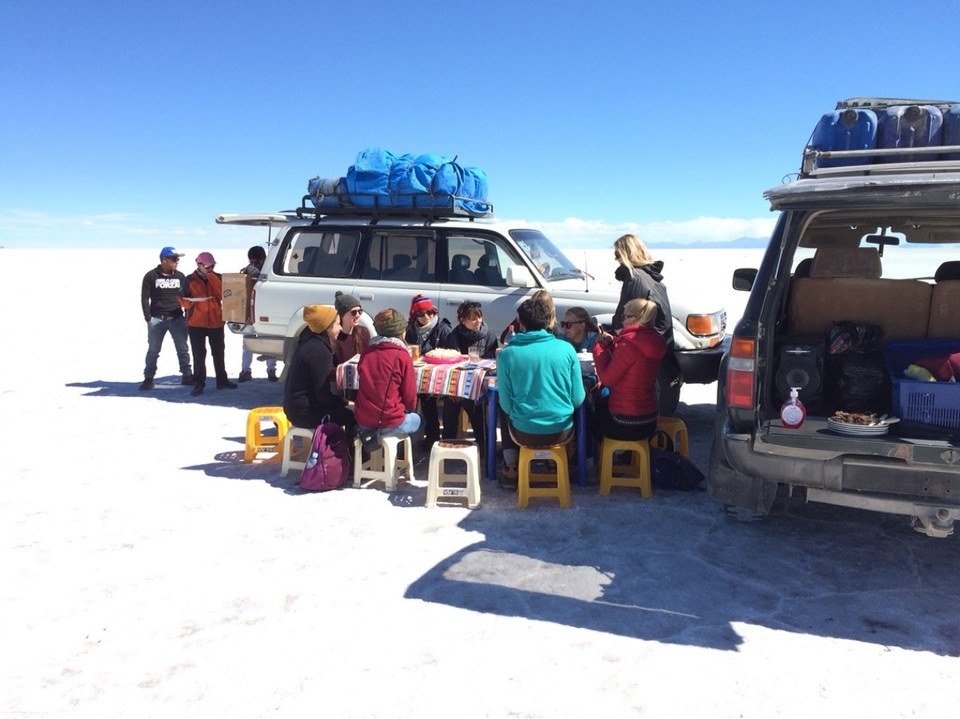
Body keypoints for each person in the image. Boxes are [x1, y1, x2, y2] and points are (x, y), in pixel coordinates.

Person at [496, 297, 586, 488]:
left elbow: (506, 404)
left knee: (502, 407)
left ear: (520, 323)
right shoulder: (567, 349)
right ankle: (575, 464)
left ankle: (511, 467)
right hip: (562, 431)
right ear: (549, 321)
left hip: (524, 432)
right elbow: (578, 398)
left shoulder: (507, 354)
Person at [593, 298, 667, 441]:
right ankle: (627, 456)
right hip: (649, 419)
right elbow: (631, 364)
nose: (622, 321)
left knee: (590, 411)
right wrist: (614, 343)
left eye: (624, 317)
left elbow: (607, 379)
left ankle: (592, 459)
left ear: (634, 318)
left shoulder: (629, 344)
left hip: (624, 423)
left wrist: (599, 348)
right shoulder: (655, 341)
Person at [283, 305, 356, 435]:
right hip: (305, 413)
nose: (340, 328)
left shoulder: (311, 343)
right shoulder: (319, 351)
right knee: (352, 415)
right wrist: (345, 402)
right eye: (338, 324)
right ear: (328, 327)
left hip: (297, 409)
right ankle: (347, 454)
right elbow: (323, 394)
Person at [355, 309, 422, 440]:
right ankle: (401, 457)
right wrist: (408, 409)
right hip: (391, 422)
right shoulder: (402, 355)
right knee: (419, 420)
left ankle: (380, 454)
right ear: (402, 332)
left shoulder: (367, 352)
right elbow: (410, 397)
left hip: (363, 421)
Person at [440, 301, 498, 447]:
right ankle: (448, 443)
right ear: (462, 320)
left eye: (479, 317)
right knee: (450, 404)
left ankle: (483, 445)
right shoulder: (454, 335)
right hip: (457, 382)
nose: (478, 321)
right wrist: (455, 389)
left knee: (474, 406)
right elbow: (450, 363)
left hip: (479, 383)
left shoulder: (489, 335)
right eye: (473, 318)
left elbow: (492, 363)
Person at [183, 252, 237, 396]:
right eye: (207, 266)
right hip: (196, 323)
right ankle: (199, 384)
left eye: (212, 266)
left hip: (216, 322)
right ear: (199, 265)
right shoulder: (189, 280)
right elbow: (181, 298)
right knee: (199, 355)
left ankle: (222, 381)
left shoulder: (217, 277)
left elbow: (222, 295)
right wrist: (189, 302)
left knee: (219, 353)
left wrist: (211, 275)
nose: (209, 268)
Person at [139, 246, 193, 391]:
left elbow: (186, 296)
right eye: (174, 259)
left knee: (182, 348)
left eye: (178, 259)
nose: (177, 261)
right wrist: (148, 317)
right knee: (153, 350)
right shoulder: (151, 276)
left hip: (177, 318)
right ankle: (148, 378)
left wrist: (187, 312)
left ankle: (187, 375)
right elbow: (145, 297)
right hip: (157, 319)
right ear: (164, 260)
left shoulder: (180, 276)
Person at [404, 293, 453, 448]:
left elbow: (452, 353)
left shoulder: (443, 330)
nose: (426, 317)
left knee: (429, 396)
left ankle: (442, 436)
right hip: (420, 375)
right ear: (414, 315)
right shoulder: (410, 330)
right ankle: (425, 434)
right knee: (419, 394)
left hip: (441, 375)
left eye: (429, 312)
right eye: (421, 314)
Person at [611, 233, 674, 346]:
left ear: (628, 254)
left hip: (638, 348)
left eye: (617, 254)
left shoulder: (635, 279)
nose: (615, 258)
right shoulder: (653, 278)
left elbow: (628, 319)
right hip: (657, 346)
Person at [238, 246, 277, 382]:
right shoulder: (247, 272)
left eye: (257, 262)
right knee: (247, 343)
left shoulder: (273, 271)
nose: (254, 265)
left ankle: (271, 369)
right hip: (250, 314)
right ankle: (245, 370)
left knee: (270, 341)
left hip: (266, 312)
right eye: (251, 262)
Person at [332, 291, 371, 365]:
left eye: (360, 311)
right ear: (342, 315)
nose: (358, 315)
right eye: (353, 312)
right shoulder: (334, 336)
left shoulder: (363, 332)